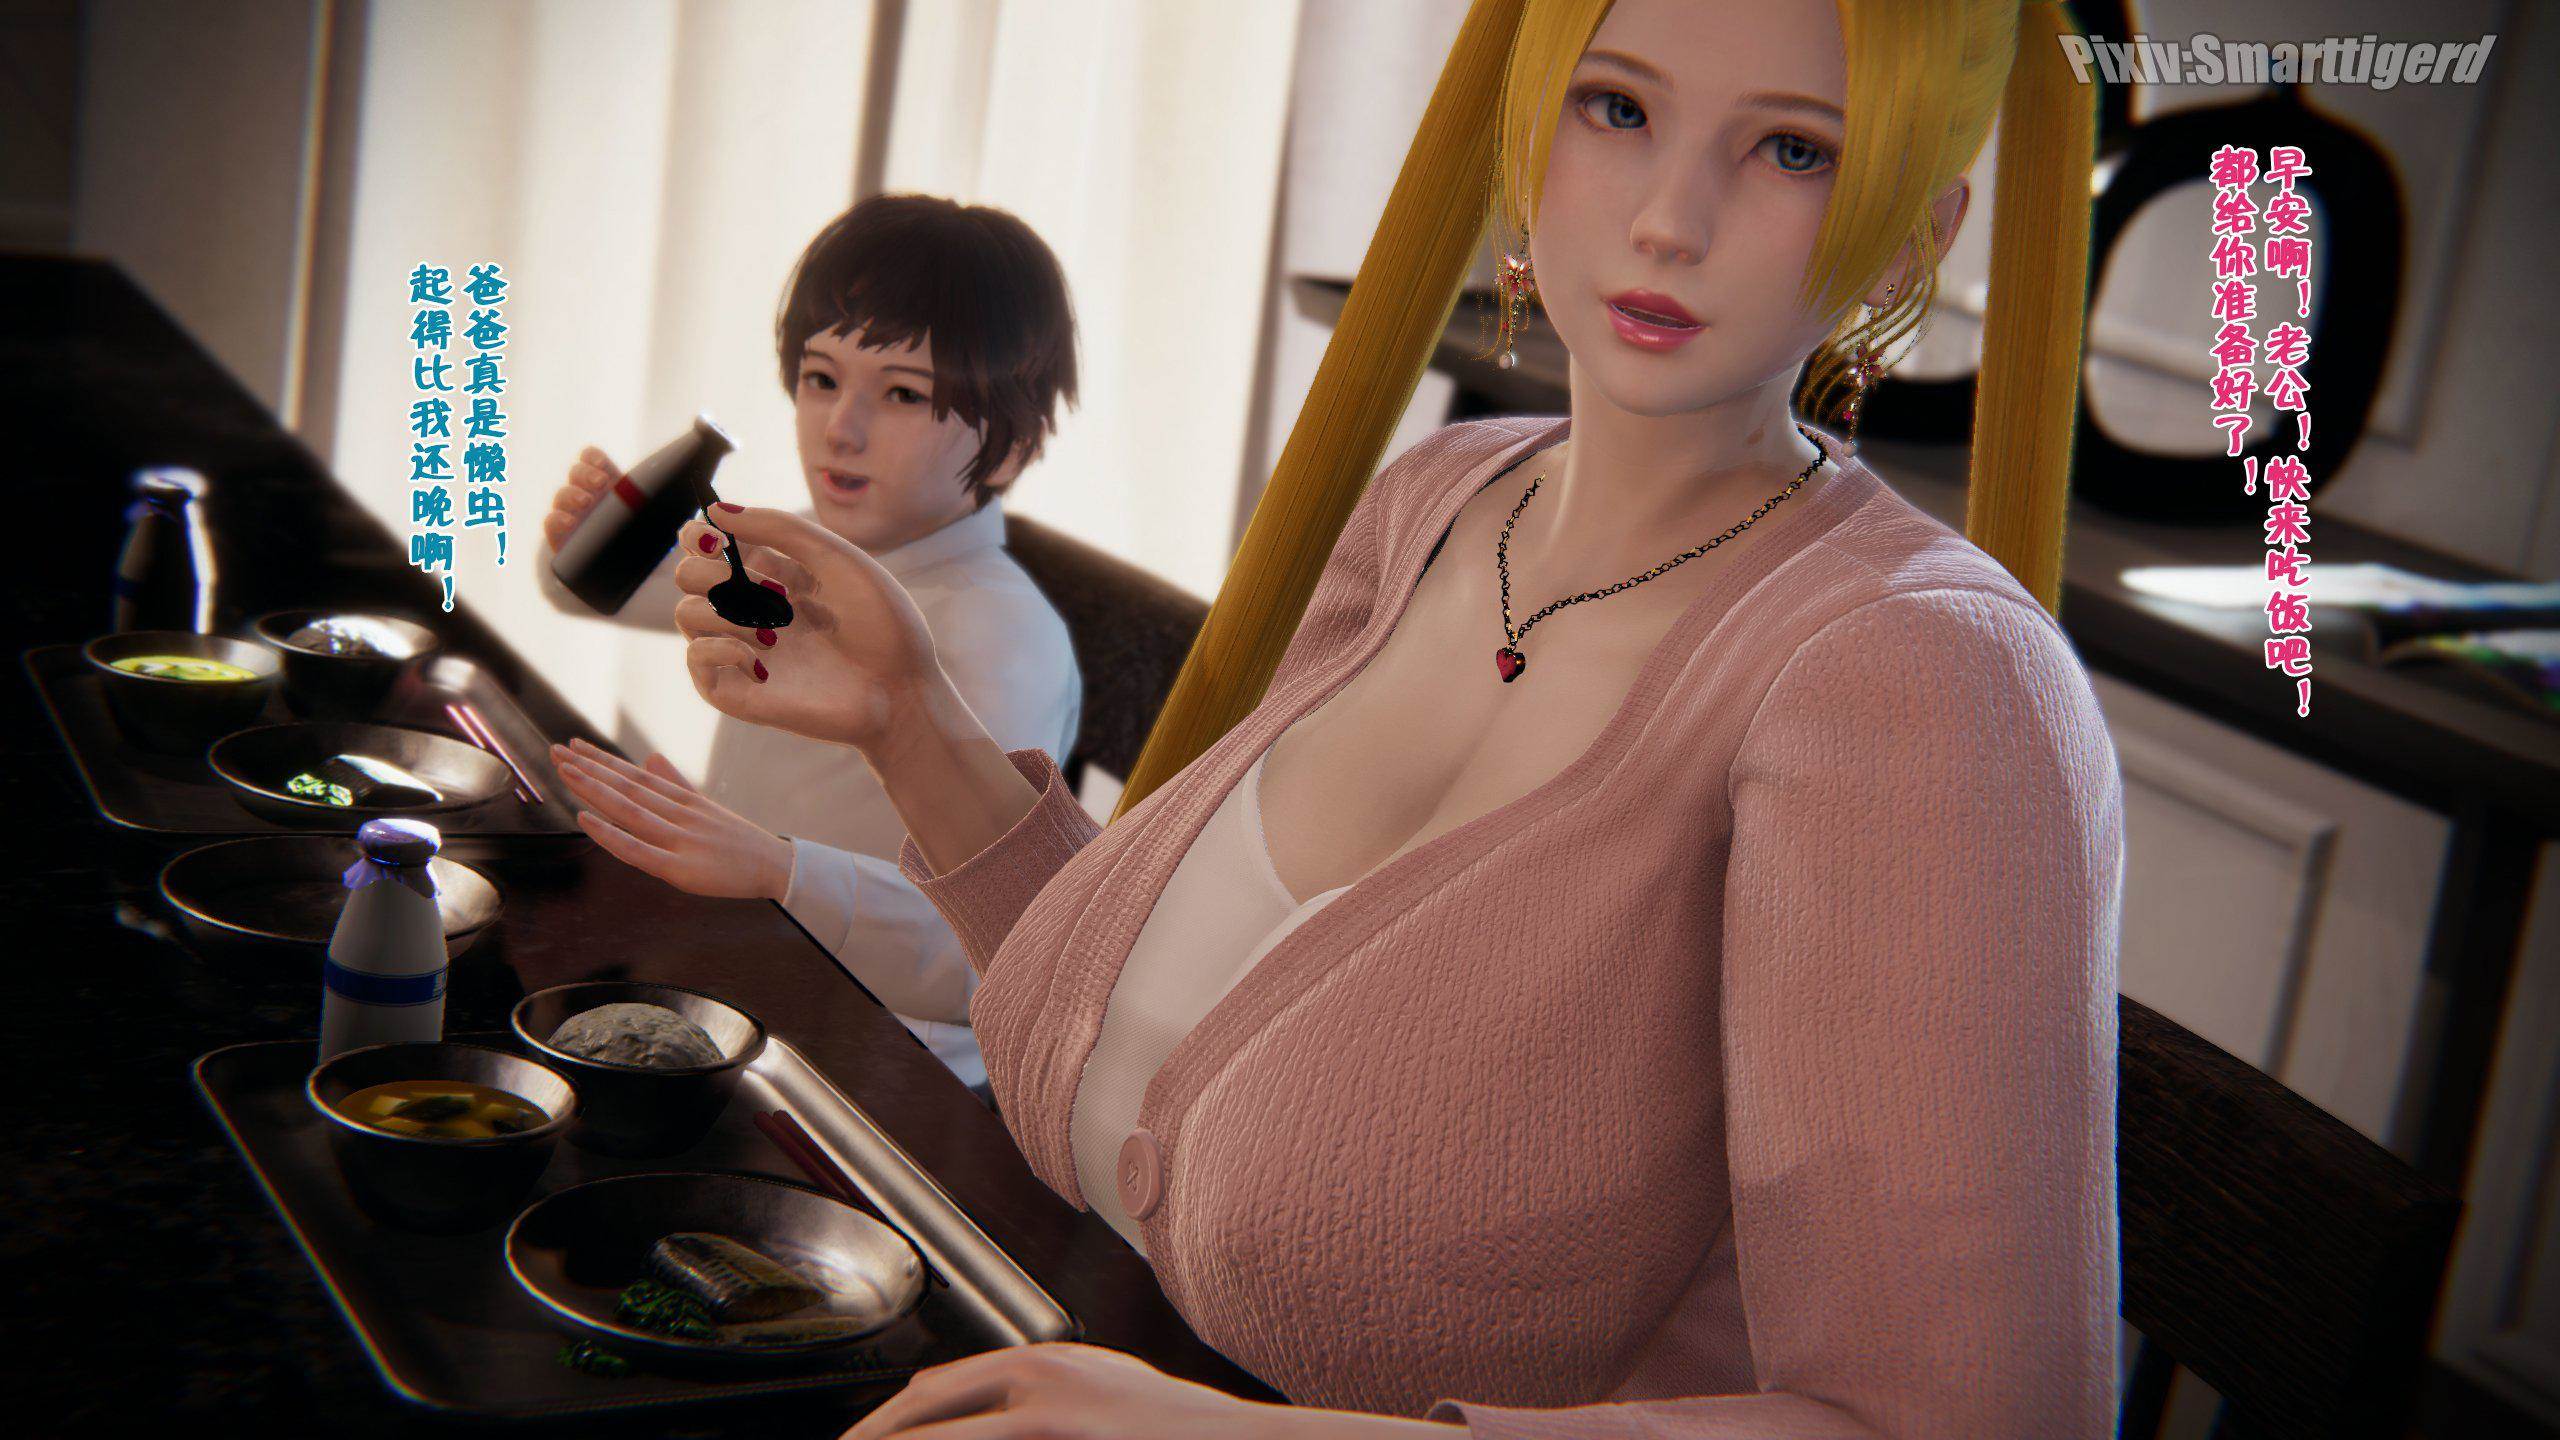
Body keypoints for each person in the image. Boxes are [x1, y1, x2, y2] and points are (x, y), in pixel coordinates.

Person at [674, 0, 2121, 1434]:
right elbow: (1145, 1031)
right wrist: (906, 717)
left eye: (1795, 149)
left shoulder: (1923, 677)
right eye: (1618, 108)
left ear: (1916, 233)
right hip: (1031, 1330)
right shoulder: (1444, 497)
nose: (1669, 221)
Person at [537, 194, 1082, 1099]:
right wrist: (588, 536)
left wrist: (777, 871)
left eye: (903, 393)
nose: (840, 429)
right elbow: (594, 589)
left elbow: (989, 954)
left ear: (1011, 448)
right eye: (822, 379)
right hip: (740, 978)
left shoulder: (997, 634)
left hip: (881, 1071)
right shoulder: (801, 548)